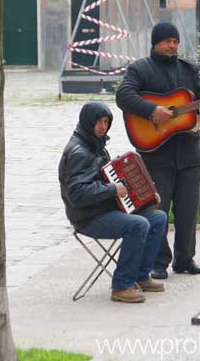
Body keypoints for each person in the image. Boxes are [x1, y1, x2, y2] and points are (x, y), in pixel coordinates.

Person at [116, 22, 200, 280]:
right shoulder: (140, 69)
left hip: (188, 153)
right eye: (167, 41)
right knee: (158, 211)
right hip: (156, 154)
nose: (172, 45)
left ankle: (185, 259)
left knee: (188, 210)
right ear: (156, 43)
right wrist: (152, 110)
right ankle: (158, 262)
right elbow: (123, 95)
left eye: (175, 41)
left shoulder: (188, 70)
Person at [58, 101, 167, 302]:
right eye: (98, 121)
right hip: (88, 217)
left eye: (106, 121)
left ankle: (140, 276)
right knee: (138, 224)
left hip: (105, 209)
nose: (102, 126)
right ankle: (122, 286)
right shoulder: (79, 152)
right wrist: (112, 189)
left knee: (158, 218)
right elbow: (77, 194)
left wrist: (144, 197)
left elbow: (107, 179)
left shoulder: (95, 144)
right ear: (87, 121)